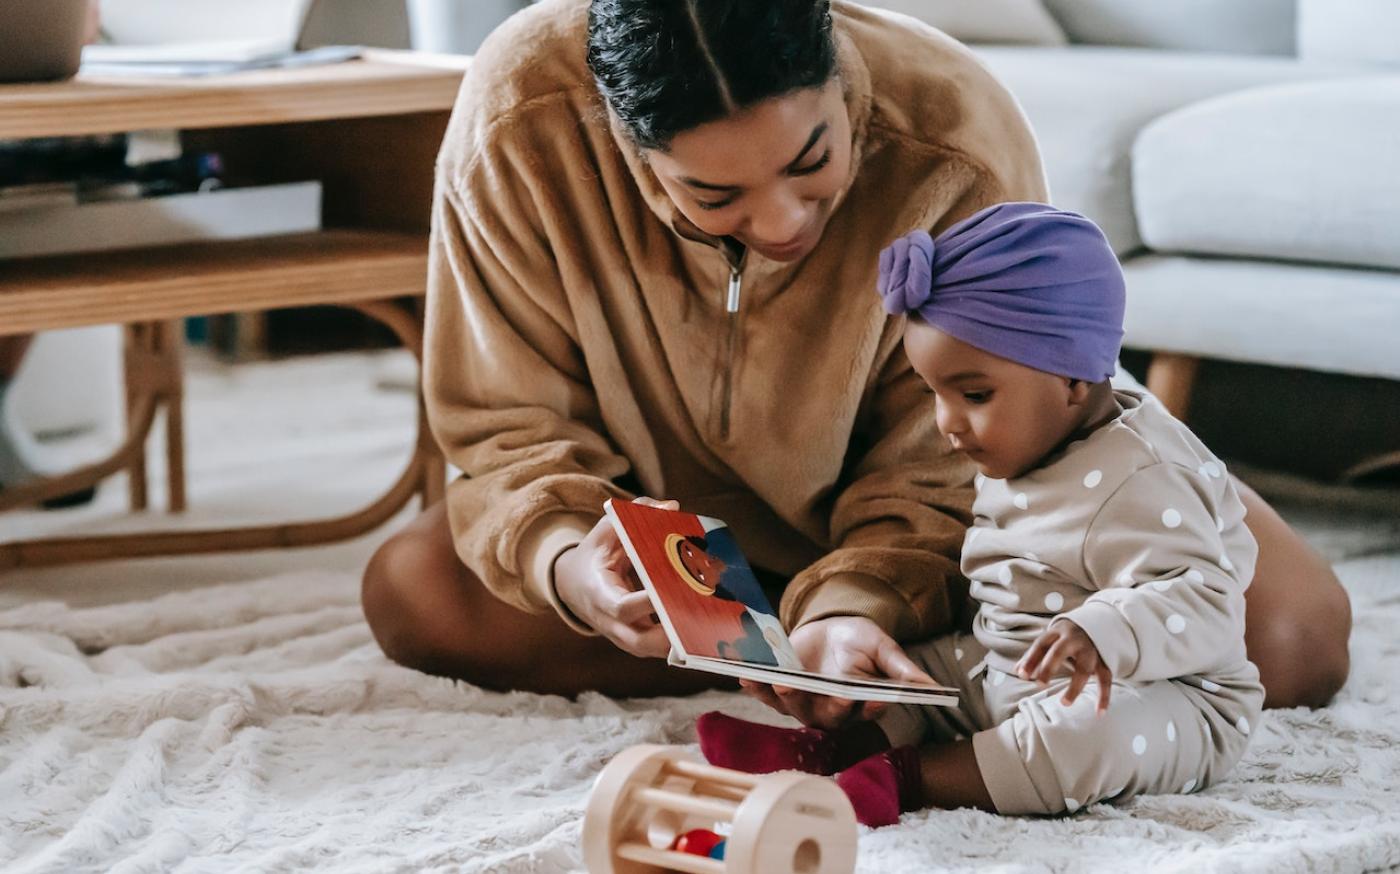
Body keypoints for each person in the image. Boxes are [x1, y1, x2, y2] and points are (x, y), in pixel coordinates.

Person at [360, 0, 1350, 713]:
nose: (780, 221)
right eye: (714, 198)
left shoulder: (952, 125)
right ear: (618, 136)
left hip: (955, 518)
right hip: (670, 518)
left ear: (835, 65)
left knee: (1287, 636)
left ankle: (877, 643)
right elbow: (507, 427)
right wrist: (573, 565)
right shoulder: (518, 117)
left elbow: (957, 450)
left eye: (812, 162)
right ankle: (899, 665)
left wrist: (856, 596)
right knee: (414, 594)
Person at [697, 203, 1264, 825]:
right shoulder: (1027, 441)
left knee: (1083, 739)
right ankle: (829, 750)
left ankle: (906, 780)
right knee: (915, 675)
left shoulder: (1147, 475)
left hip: (1164, 695)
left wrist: (1105, 630)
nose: (946, 423)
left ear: (1073, 379)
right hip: (1011, 663)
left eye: (973, 395)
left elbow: (1207, 600)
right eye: (933, 392)